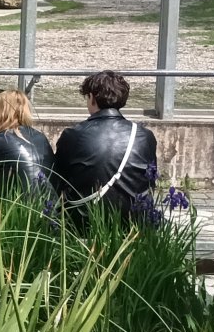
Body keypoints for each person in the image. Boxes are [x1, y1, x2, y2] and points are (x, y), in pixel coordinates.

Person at [52, 71, 160, 225]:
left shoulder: (73, 134)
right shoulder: (144, 135)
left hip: (84, 221)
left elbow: (59, 179)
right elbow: (150, 180)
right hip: (134, 221)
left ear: (91, 98)